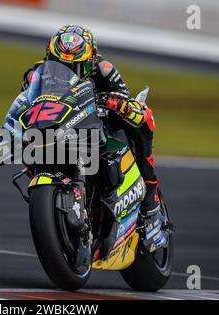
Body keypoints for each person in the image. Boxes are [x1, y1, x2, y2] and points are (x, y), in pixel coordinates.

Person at [20, 25, 168, 252]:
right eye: (60, 63)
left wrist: (110, 101)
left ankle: (150, 196)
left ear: (90, 60)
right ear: (49, 56)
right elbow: (25, 105)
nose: (67, 68)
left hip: (99, 124)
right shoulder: (36, 74)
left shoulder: (104, 69)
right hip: (59, 128)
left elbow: (127, 101)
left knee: (143, 117)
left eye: (75, 66)